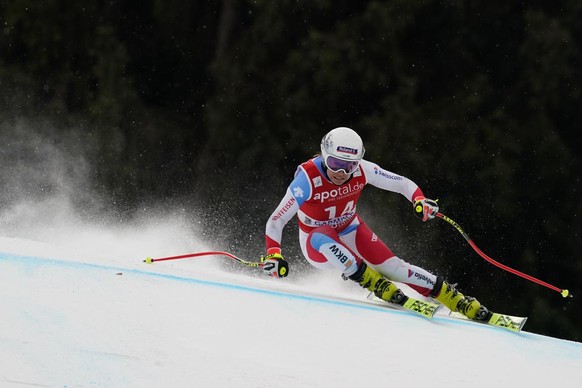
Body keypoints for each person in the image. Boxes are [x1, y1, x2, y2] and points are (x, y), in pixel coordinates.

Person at [262, 126, 491, 321]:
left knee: (393, 267)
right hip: (317, 244)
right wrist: (274, 254)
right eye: (335, 163)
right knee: (322, 232)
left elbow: (401, 183)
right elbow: (276, 220)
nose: (342, 172)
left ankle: (454, 299)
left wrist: (419, 200)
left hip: (350, 229)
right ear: (324, 156)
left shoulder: (363, 170)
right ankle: (373, 283)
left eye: (349, 166)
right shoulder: (307, 179)